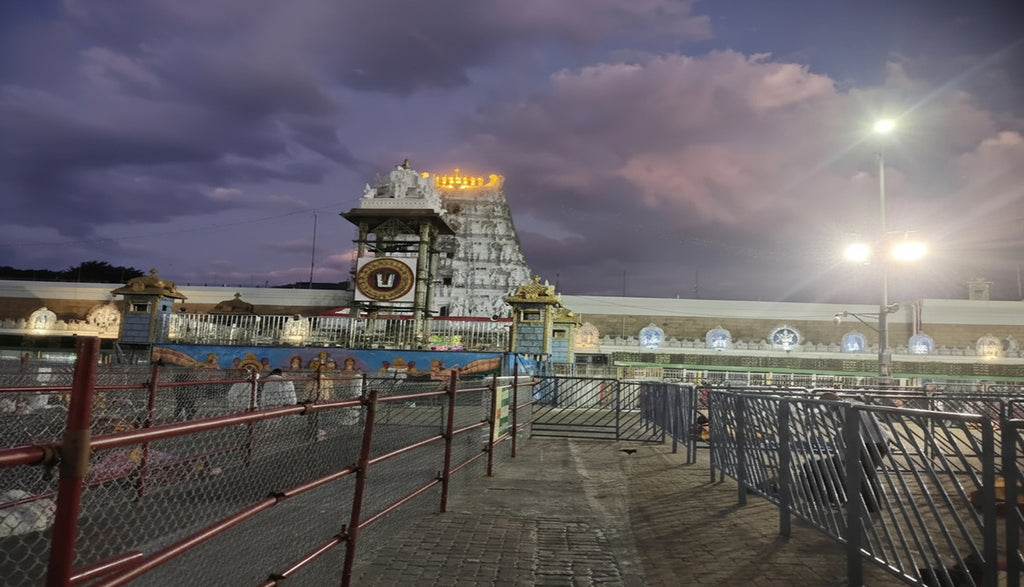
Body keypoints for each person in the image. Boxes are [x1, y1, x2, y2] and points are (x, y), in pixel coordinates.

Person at [818, 392, 890, 512]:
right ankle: (870, 506)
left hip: (870, 443)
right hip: (878, 440)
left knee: (862, 475)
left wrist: (846, 453)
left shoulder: (845, 409)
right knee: (866, 474)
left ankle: (868, 507)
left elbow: (854, 431)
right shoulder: (852, 404)